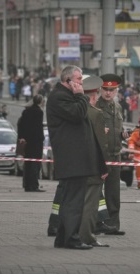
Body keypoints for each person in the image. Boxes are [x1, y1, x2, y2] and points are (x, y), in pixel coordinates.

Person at [46, 65, 106, 250]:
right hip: (72, 159)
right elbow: (78, 113)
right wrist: (82, 96)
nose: (81, 83)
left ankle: (63, 238)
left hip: (76, 159)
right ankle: (72, 239)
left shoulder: (66, 96)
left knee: (70, 200)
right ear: (68, 81)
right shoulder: (60, 97)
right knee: (73, 203)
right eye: (79, 79)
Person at [95, 73, 130, 236]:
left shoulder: (117, 107)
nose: (108, 93)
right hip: (101, 155)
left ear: (116, 90)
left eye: (112, 90)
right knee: (96, 192)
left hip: (115, 155)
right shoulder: (95, 106)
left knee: (114, 193)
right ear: (101, 89)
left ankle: (113, 225)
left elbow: (118, 128)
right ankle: (96, 222)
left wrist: (123, 134)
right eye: (106, 89)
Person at [78, 76, 110, 247]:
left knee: (77, 203)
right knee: (91, 205)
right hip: (92, 166)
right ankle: (87, 237)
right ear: (94, 96)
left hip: (76, 165)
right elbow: (100, 144)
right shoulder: (96, 114)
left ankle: (74, 234)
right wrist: (103, 167)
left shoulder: (76, 110)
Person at [17, 94, 45, 192]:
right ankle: (34, 185)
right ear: (40, 102)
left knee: (28, 164)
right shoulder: (39, 112)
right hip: (36, 142)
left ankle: (27, 184)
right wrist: (41, 138)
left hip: (27, 142)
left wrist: (22, 137)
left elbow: (21, 125)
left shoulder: (26, 112)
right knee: (35, 164)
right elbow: (37, 128)